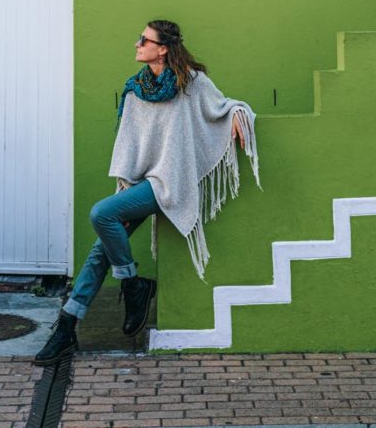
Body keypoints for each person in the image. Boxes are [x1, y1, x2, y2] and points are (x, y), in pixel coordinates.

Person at [32, 19, 260, 366]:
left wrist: (240, 115)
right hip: (140, 183)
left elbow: (225, 106)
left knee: (101, 214)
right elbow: (133, 142)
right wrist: (127, 182)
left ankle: (133, 286)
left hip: (170, 182)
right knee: (99, 252)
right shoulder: (136, 89)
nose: (137, 44)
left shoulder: (192, 83)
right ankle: (67, 328)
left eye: (144, 39)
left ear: (163, 48)